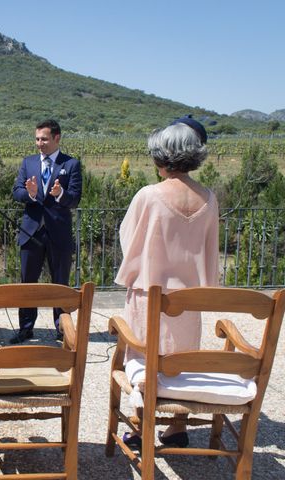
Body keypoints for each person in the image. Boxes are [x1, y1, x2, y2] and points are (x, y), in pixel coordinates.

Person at [115, 115, 219, 448]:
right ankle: (177, 426)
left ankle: (139, 424)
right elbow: (211, 251)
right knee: (182, 364)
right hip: (190, 299)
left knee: (143, 360)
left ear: (163, 157)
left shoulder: (148, 195)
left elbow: (128, 239)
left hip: (150, 294)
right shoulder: (209, 198)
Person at [10, 119, 82, 344]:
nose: (39, 143)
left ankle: (62, 329)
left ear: (57, 138)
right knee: (28, 284)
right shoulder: (28, 163)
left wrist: (60, 194)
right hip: (31, 232)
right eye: (37, 139)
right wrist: (30, 194)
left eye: (44, 139)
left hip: (58, 233)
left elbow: (75, 199)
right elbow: (16, 192)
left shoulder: (71, 164)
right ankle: (25, 328)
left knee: (60, 284)